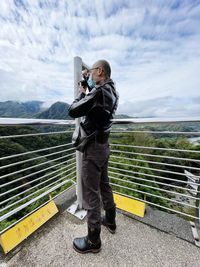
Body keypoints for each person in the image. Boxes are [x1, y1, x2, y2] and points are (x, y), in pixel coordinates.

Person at [68, 59, 119, 254]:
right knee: (104, 184)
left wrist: (81, 93)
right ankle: (111, 220)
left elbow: (73, 110)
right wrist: (88, 84)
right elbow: (97, 107)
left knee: (91, 193)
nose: (90, 74)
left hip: (93, 150)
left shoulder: (99, 93)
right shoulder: (113, 91)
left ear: (100, 71)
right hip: (104, 146)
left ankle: (93, 240)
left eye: (91, 71)